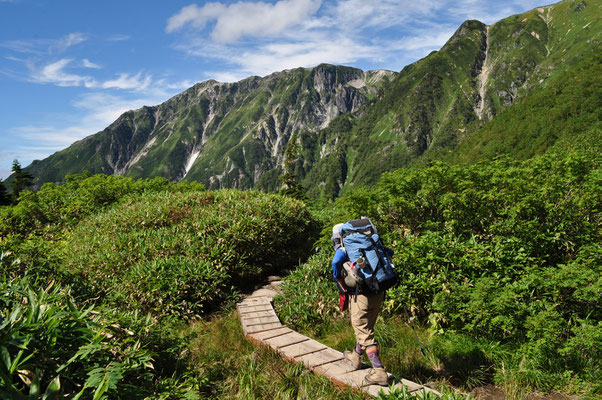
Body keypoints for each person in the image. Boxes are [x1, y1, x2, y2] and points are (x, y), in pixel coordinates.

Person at [331, 223, 390, 387]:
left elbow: (336, 264)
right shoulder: (370, 244)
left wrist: (338, 279)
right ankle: (356, 357)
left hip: (361, 294)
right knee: (367, 327)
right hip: (379, 291)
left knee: (362, 330)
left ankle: (379, 371)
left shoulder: (344, 250)